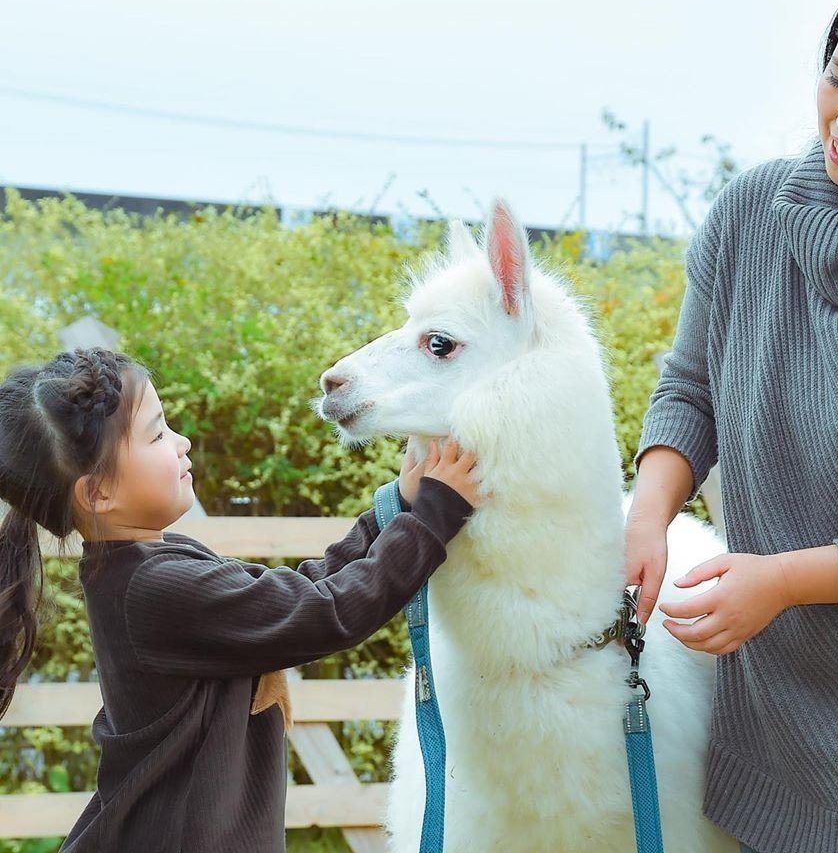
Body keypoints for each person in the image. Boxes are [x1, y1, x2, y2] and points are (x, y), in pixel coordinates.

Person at [626, 0, 838, 853]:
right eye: (837, 80)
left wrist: (777, 580)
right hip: (772, 711)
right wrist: (648, 514)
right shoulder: (748, 216)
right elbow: (689, 388)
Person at [0, 347, 480, 852]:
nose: (182, 442)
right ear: (97, 494)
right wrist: (432, 516)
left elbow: (302, 592)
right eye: (157, 433)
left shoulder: (156, 563)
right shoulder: (154, 588)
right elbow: (324, 613)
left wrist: (396, 511)